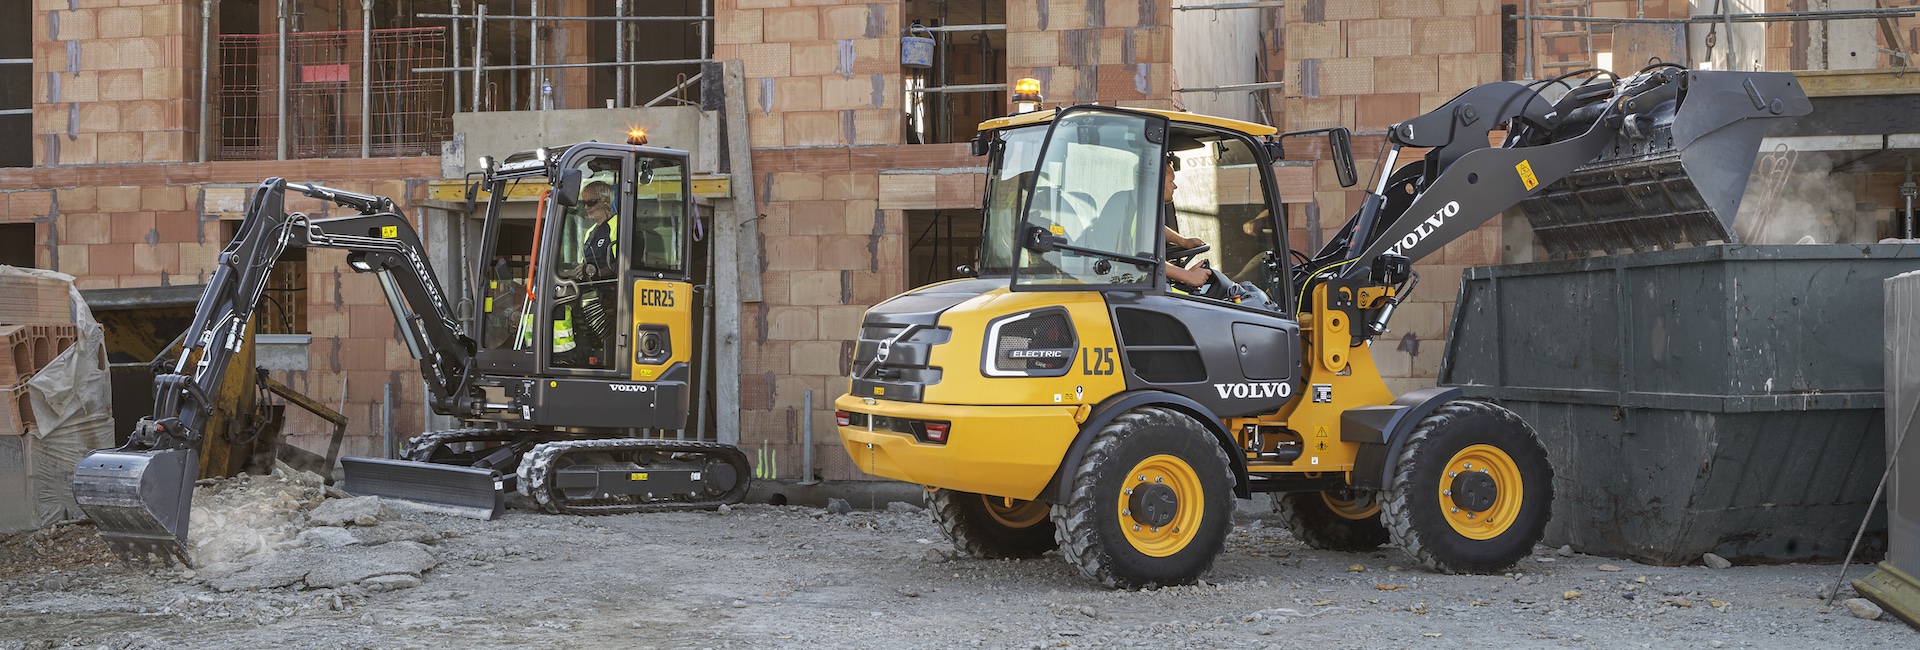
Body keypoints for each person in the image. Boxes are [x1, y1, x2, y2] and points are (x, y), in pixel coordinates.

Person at [1160, 159, 1214, 287]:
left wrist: (1183, 241)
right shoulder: (1132, 209)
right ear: (1157, 182)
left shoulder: (1138, 208)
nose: (1175, 186)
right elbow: (1143, 260)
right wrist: (1187, 276)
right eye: (1171, 181)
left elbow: (1153, 229)